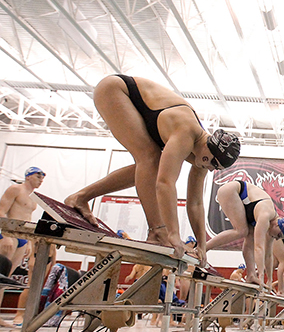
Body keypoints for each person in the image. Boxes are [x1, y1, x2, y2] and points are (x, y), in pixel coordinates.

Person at [64, 75, 241, 263]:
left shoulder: (202, 158)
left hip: (140, 107)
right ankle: (156, 232)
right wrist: (171, 233)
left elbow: (196, 202)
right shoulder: (186, 133)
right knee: (150, 158)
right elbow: (164, 184)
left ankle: (80, 198)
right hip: (117, 90)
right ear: (209, 147)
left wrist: (202, 245)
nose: (211, 169)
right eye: (213, 164)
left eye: (216, 168)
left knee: (149, 163)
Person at [207, 180, 284, 291]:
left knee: (250, 235)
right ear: (277, 225)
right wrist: (261, 275)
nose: (276, 238)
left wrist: (270, 280)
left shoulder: (273, 224)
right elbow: (259, 248)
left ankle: (251, 274)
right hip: (233, 190)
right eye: (278, 236)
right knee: (241, 231)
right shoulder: (265, 216)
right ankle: (202, 248)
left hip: (244, 200)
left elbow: (268, 255)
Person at [0, 167, 46, 328]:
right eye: (38, 176)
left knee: (4, 280)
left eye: (43, 177)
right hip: (9, 235)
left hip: (22, 238)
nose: (41, 179)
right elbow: (1, 211)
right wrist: (5, 235)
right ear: (28, 176)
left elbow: (28, 220)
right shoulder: (15, 189)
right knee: (0, 275)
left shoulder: (33, 198)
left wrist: (29, 242)